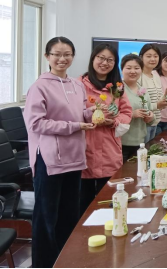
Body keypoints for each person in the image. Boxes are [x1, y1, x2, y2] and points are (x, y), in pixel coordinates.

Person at [24, 37, 96, 269]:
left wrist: (94, 112)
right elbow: (36, 123)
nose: (62, 59)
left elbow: (81, 112)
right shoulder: (39, 86)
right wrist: (74, 126)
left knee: (69, 214)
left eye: (67, 54)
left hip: (75, 156)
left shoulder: (77, 85)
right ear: (47, 57)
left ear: (73, 56)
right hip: (50, 159)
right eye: (57, 54)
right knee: (46, 217)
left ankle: (66, 260)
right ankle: (44, 264)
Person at [79, 44, 132, 216]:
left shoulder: (118, 87)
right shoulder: (78, 84)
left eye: (110, 60)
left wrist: (114, 121)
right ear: (93, 59)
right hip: (84, 147)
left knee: (109, 201)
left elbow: (126, 112)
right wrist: (91, 115)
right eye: (101, 58)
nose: (104, 63)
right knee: (83, 204)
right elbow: (71, 113)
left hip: (109, 147)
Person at [120, 54, 156, 162]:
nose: (133, 71)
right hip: (121, 143)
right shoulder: (117, 90)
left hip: (140, 143)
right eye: (128, 68)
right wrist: (131, 114)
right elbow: (111, 116)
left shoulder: (143, 91)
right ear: (122, 69)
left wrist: (150, 117)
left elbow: (150, 114)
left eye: (136, 68)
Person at [138, 44, 167, 142]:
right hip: (143, 124)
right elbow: (138, 104)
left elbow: (158, 100)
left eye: (155, 56)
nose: (153, 59)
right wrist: (157, 105)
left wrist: (165, 97)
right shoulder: (138, 76)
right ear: (141, 57)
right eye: (149, 56)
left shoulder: (155, 75)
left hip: (155, 122)